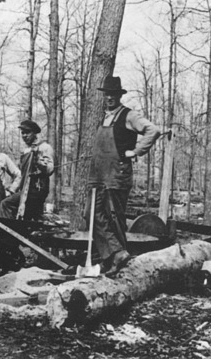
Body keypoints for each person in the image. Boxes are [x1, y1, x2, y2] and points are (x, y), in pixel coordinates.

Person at [87, 75, 161, 274]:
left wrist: (135, 151)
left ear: (119, 95)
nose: (110, 97)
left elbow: (152, 130)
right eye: (107, 94)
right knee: (92, 214)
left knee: (114, 216)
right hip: (99, 175)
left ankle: (118, 264)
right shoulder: (103, 117)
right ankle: (114, 254)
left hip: (117, 174)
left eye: (113, 94)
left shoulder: (128, 115)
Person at [0, 120, 54, 220]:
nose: (24, 135)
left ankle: (6, 234)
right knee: (26, 219)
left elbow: (50, 169)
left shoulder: (45, 147)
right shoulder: (26, 151)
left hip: (36, 191)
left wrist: (39, 162)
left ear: (34, 133)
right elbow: (21, 175)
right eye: (22, 133)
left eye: (27, 132)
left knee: (5, 204)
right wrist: (12, 190)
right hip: (25, 191)